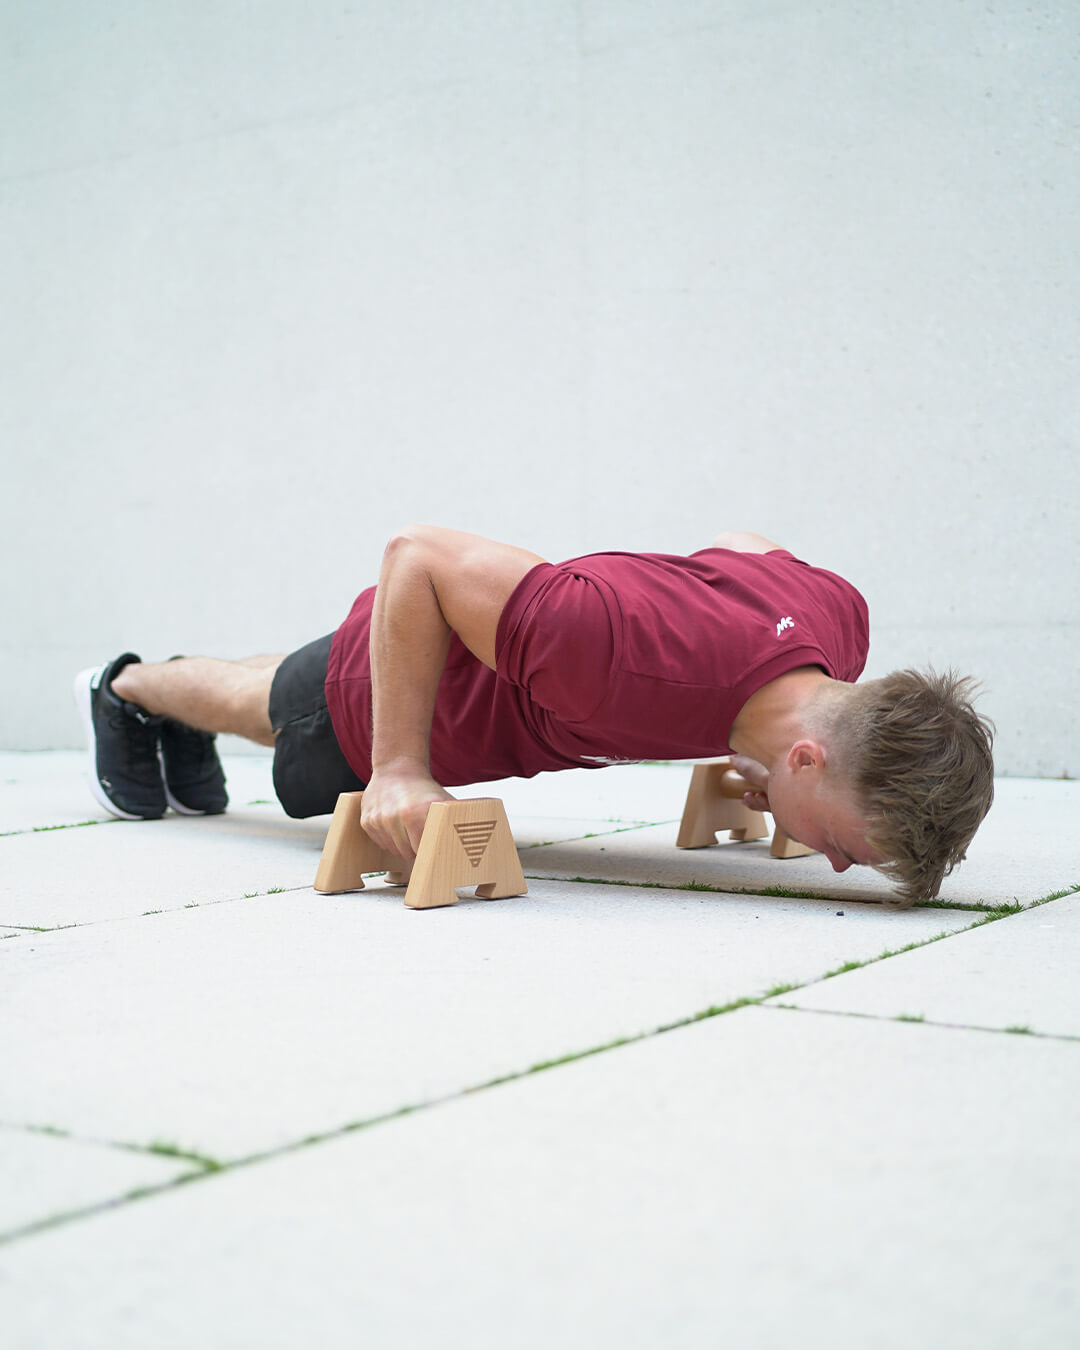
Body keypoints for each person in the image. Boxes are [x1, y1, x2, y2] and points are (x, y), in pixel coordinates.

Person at [73, 525, 995, 907]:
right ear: (806, 760)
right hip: (403, 701)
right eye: (846, 845)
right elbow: (419, 557)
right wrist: (396, 768)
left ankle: (160, 697)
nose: (832, 863)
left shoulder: (838, 627)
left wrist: (737, 743)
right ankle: (125, 688)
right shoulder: (609, 650)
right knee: (260, 704)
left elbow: (750, 554)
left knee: (277, 675)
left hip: (491, 655)